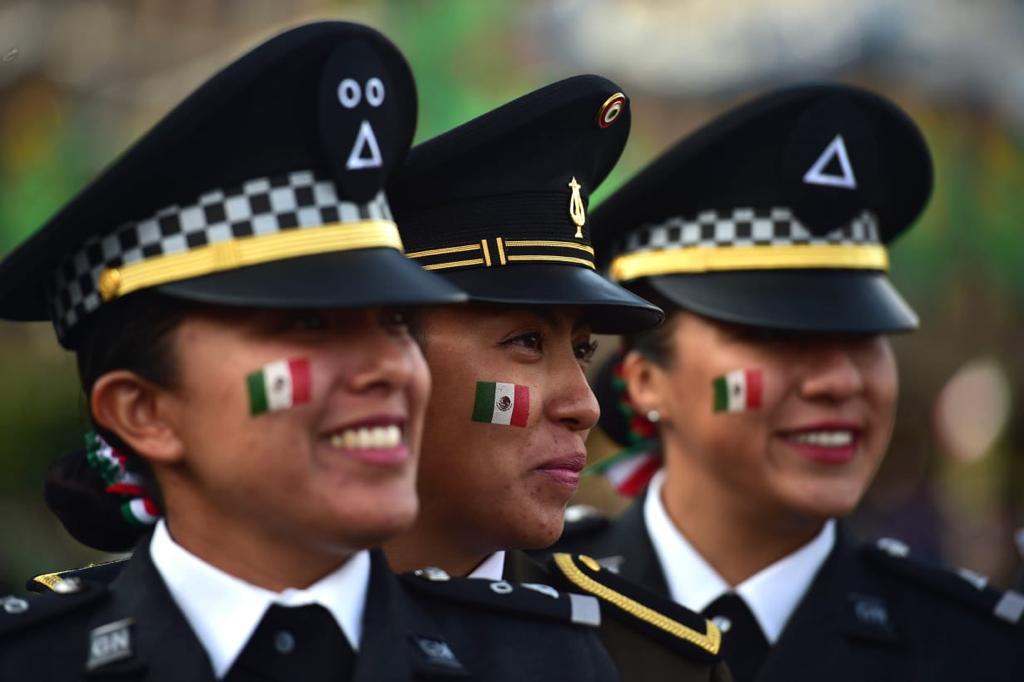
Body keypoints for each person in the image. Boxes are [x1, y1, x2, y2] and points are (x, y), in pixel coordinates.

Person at [0, 23, 620, 681]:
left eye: (396, 322)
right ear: (143, 411)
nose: (387, 368)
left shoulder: (546, 661)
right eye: (309, 325)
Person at [547, 83, 1024, 681]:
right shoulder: (532, 619)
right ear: (646, 382)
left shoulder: (979, 652)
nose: (840, 382)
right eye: (779, 338)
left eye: (863, 337)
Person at [381, 75, 731, 682]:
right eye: (525, 342)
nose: (584, 405)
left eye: (584, 349)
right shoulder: (236, 641)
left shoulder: (644, 665)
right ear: (381, 361)